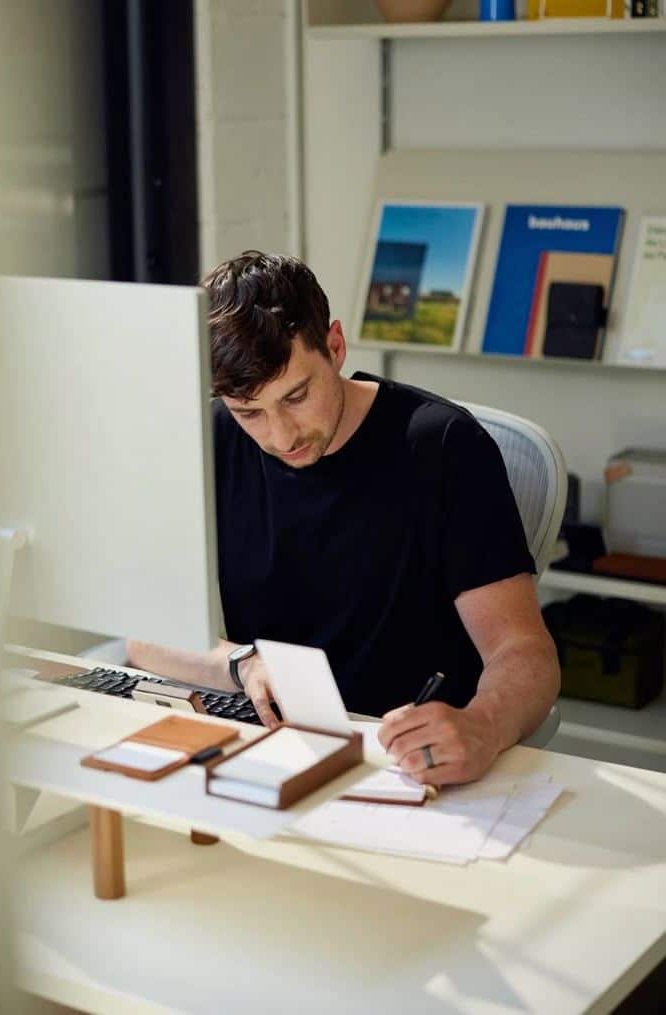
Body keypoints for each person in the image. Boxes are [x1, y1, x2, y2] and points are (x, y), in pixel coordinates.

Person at [128, 250, 560, 787]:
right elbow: (143, 635)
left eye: (297, 396)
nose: (280, 436)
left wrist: (483, 724)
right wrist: (242, 663)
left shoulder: (443, 446)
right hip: (278, 749)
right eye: (250, 413)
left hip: (405, 761)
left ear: (334, 346)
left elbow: (524, 652)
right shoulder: (215, 438)